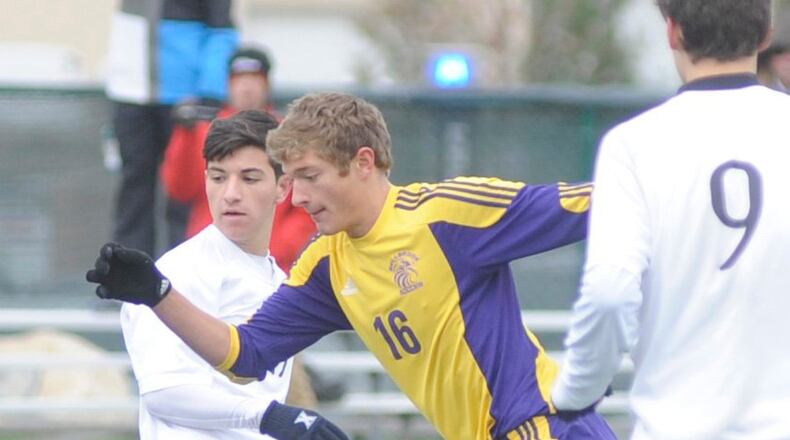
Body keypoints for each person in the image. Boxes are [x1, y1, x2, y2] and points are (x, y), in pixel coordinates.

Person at [87, 92, 616, 439]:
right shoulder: (326, 264)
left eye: (309, 176)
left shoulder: (445, 215)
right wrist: (158, 292)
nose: (297, 197)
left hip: (544, 425)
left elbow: (598, 206)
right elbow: (246, 356)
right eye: (291, 179)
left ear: (363, 163)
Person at [550, 1, 790, 438]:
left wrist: (575, 392)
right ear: (766, 34)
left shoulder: (632, 145)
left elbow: (609, 294)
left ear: (673, 33)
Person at [119, 110, 348, 440]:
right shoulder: (178, 272)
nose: (230, 193)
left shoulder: (278, 279)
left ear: (283, 188)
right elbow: (164, 393)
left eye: (250, 178)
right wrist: (268, 416)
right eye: (218, 177)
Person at [161, 46, 316, 272]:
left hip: (272, 261)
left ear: (267, 84)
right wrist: (184, 135)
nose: (246, 87)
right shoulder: (204, 131)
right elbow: (179, 189)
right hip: (210, 260)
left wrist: (276, 246)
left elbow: (307, 203)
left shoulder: (289, 135)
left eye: (254, 79)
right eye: (239, 79)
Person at [105, 0, 238, 256]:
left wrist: (210, 93)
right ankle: (126, 277)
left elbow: (222, 30)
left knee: (184, 192)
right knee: (133, 188)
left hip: (185, 99)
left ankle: (185, 277)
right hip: (130, 91)